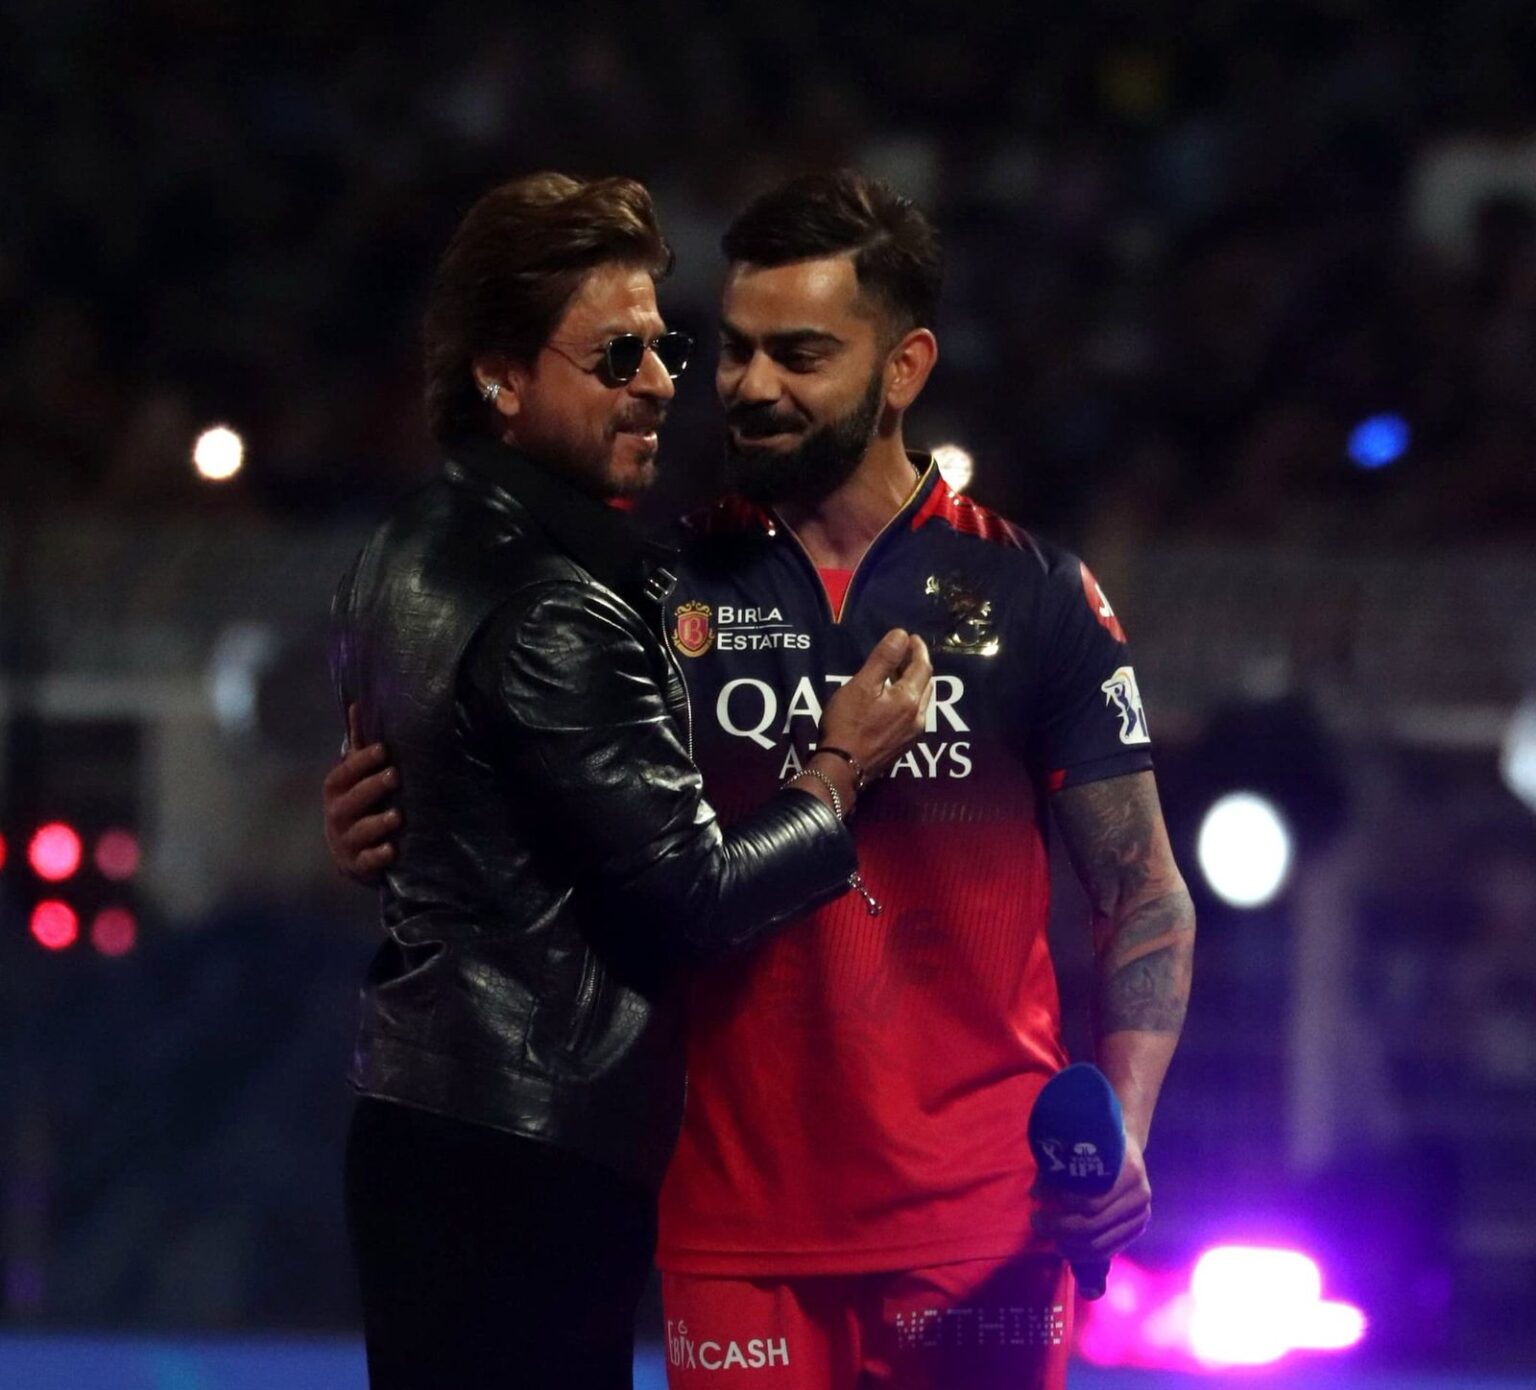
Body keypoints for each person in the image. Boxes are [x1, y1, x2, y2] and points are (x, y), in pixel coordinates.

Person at [327, 170, 1195, 1390]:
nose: (746, 385)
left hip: (982, 1224)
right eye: (733, 349)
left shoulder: (1034, 594)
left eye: (799, 354)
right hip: (734, 1225)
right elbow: (550, 818)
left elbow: (1144, 887)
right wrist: (396, 815)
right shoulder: (650, 588)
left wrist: (1128, 1131)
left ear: (904, 367)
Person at [329, 170, 933, 1390]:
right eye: (616, 357)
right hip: (528, 1150)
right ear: (502, 377)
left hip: (441, 1124)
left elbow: (454, 796)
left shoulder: (410, 541)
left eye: (664, 346)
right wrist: (838, 770)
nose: (660, 381)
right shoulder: (555, 607)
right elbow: (689, 895)